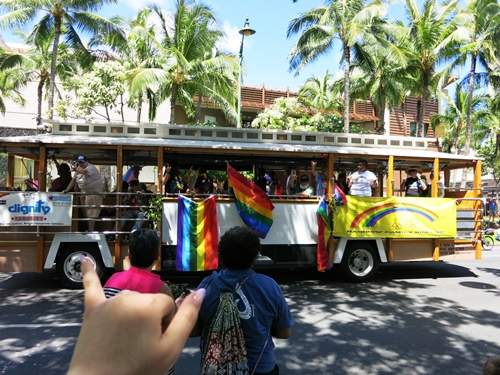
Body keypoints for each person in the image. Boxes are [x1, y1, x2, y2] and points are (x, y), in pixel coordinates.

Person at [67, 255, 206, 375]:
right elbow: (168, 327)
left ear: (129, 255)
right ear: (156, 257)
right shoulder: (160, 287)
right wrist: (176, 306)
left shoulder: (113, 279)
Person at [190, 226, 294, 375]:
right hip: (260, 368)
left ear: (221, 254)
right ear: (255, 255)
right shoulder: (269, 287)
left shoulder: (206, 287)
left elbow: (193, 331)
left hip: (218, 369)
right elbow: (284, 333)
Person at [62, 155, 104, 232]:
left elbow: (86, 172)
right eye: (80, 162)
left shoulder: (91, 168)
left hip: (94, 193)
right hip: (84, 193)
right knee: (85, 212)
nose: (81, 164)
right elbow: (73, 180)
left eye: (83, 162)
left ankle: (91, 230)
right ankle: (88, 228)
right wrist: (67, 190)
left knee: (92, 212)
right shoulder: (78, 169)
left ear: (87, 161)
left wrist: (76, 170)